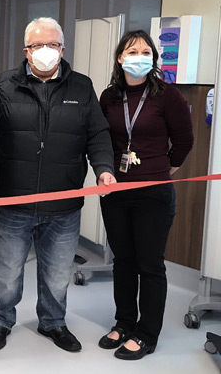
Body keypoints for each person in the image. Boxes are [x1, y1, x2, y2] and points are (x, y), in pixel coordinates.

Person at [0, 17, 115, 354]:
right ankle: (0, 319)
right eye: (37, 45)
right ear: (26, 51)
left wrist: (103, 170)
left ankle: (53, 322)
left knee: (58, 273)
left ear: (62, 48)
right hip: (14, 200)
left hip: (64, 202)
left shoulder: (82, 87)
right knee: (6, 271)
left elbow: (97, 134)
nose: (46, 51)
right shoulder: (4, 84)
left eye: (52, 45)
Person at [97, 30, 193, 360]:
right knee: (123, 261)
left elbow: (184, 141)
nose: (139, 56)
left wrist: (162, 169)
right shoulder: (109, 97)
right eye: (132, 50)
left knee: (149, 264)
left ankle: (147, 331)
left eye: (145, 51)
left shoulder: (167, 95)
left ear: (153, 57)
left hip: (153, 193)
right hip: (114, 192)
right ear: (120, 58)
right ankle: (124, 322)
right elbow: (100, 140)